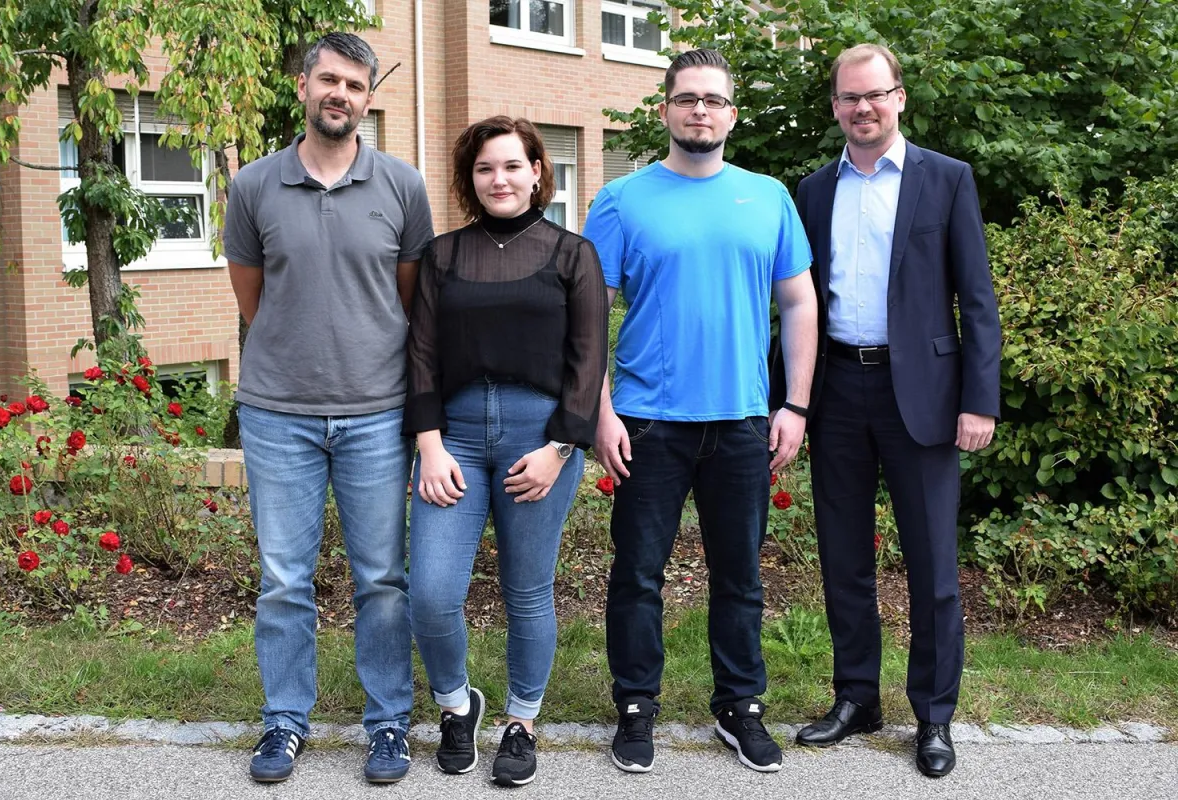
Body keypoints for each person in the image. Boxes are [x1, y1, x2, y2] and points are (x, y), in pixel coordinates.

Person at [584, 49, 818, 774]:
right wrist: (599, 412)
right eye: (687, 99)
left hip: (745, 421)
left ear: (732, 115)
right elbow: (590, 313)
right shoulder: (621, 201)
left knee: (740, 574)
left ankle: (739, 706)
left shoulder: (768, 196)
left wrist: (797, 404)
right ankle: (635, 706)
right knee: (638, 574)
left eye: (714, 100)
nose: (700, 111)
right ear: (664, 110)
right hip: (648, 422)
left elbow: (799, 301)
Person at [222, 32, 434, 785]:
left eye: (356, 84)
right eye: (329, 80)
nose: (341, 94)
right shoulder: (252, 186)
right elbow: (253, 298)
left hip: (377, 411)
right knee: (284, 578)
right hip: (279, 412)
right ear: (304, 87)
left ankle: (387, 726)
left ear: (368, 99)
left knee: (382, 577)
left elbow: (406, 300)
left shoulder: (402, 186)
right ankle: (283, 721)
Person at [787, 43, 1001, 778]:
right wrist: (793, 398)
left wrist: (980, 400)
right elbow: (797, 302)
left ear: (899, 97)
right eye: (849, 98)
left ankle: (934, 717)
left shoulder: (946, 179)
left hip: (929, 400)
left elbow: (977, 300)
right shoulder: (814, 191)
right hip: (839, 390)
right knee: (843, 557)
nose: (862, 108)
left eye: (874, 94)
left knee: (934, 565)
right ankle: (857, 698)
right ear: (837, 107)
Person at [403, 116, 608, 787]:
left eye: (513, 166)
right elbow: (423, 354)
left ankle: (521, 722)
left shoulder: (572, 254)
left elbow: (588, 359)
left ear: (537, 173)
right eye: (486, 168)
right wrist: (429, 445)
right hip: (454, 439)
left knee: (526, 592)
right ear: (470, 179)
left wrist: (558, 449)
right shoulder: (443, 256)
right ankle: (457, 706)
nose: (500, 179)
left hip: (539, 439)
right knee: (431, 593)